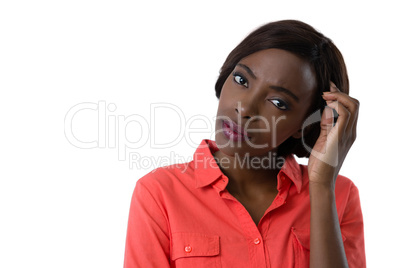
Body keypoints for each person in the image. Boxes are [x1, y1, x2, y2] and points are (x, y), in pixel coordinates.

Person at [123, 20, 365, 268]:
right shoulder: (159, 193)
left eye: (279, 103)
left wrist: (322, 186)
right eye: (241, 79)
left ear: (305, 125)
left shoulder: (340, 196)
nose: (245, 108)